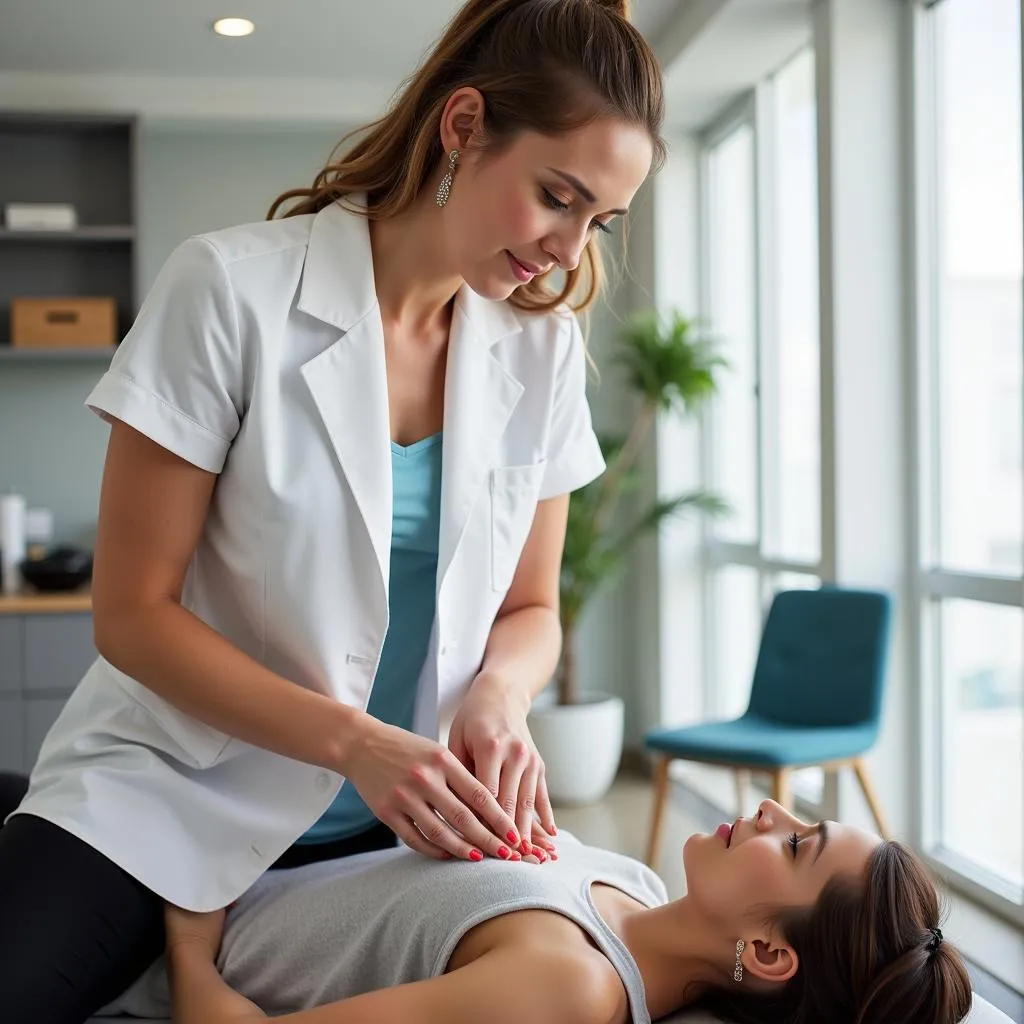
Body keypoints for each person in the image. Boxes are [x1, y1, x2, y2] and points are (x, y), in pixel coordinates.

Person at [0, 1, 664, 1021]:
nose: (570, 252)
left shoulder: (542, 351)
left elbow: (531, 609)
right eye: (555, 197)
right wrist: (353, 740)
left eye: (598, 222)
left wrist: (498, 695)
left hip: (407, 817)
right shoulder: (229, 291)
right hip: (173, 785)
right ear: (464, 127)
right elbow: (131, 614)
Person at [111, 799, 974, 1024]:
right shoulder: (631, 884)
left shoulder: (574, 989)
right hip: (221, 855)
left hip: (156, 926)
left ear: (768, 951)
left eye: (795, 847)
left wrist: (191, 926)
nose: (769, 812)